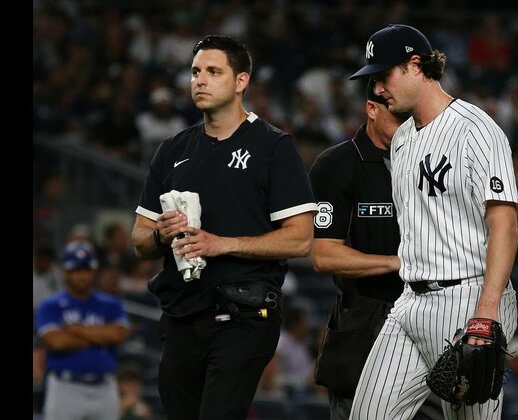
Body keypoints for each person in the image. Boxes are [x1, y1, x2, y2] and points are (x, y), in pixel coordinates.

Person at [131, 34, 317, 420]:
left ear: (241, 81)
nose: (199, 80)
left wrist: (222, 244)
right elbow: (139, 240)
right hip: (182, 315)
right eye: (195, 71)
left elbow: (300, 239)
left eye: (213, 71)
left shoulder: (273, 146)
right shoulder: (173, 150)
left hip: (244, 314)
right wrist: (160, 235)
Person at [347, 24, 518, 420]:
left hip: (467, 299)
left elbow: (504, 223)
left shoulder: (475, 130)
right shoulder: (404, 137)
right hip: (409, 300)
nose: (376, 89)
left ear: (414, 65)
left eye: (382, 75)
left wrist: (488, 310)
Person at [310, 79, 441, 420]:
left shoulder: (426, 161)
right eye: (398, 117)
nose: (408, 126)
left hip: (429, 315)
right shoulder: (337, 164)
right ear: (371, 109)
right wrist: (400, 262)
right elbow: (324, 255)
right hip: (366, 318)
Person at [35, 240, 130, 420]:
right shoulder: (51, 305)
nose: (81, 276)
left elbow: (118, 334)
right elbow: (56, 342)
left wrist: (75, 329)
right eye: (76, 270)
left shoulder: (110, 303)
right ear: (65, 272)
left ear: (93, 271)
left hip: (105, 385)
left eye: (86, 270)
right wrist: (99, 336)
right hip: (65, 387)